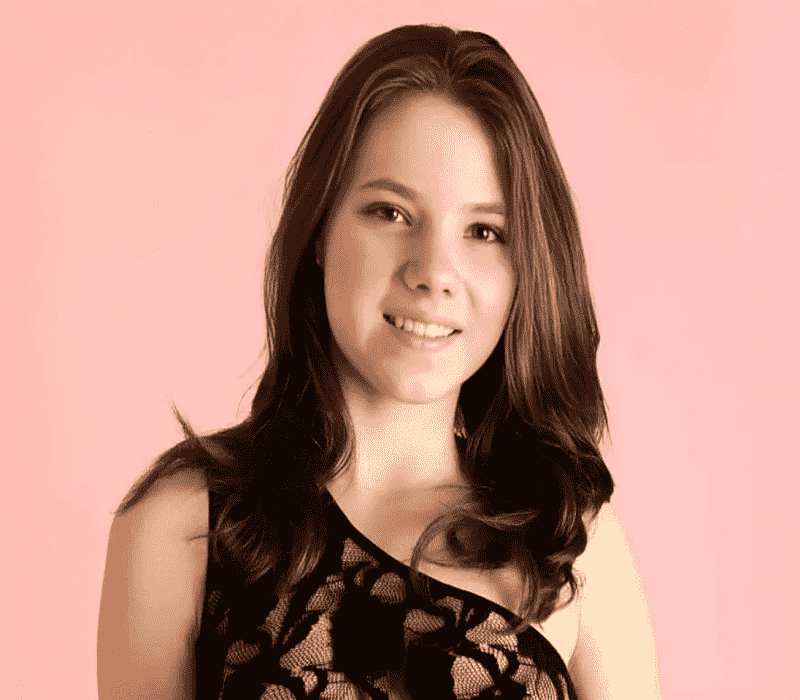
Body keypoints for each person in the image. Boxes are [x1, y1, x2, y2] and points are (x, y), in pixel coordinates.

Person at [97, 24, 661, 700]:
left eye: (484, 231)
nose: (433, 273)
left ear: (526, 271)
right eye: (391, 212)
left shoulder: (573, 541)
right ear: (318, 234)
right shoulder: (184, 524)